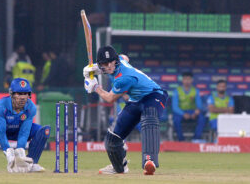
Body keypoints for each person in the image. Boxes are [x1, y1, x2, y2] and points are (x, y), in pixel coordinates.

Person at [83, 46, 168, 175]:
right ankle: (119, 167)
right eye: (104, 64)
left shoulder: (123, 78)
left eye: (110, 62)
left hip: (153, 95)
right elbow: (124, 56)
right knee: (113, 139)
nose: (108, 66)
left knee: (149, 118)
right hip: (134, 100)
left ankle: (149, 161)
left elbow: (110, 98)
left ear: (115, 61)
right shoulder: (120, 60)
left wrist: (95, 87)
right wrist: (95, 68)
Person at [172, 72, 206, 141]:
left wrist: (196, 112)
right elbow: (174, 107)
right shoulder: (177, 91)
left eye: (189, 79)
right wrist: (183, 114)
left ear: (192, 80)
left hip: (192, 111)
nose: (187, 81)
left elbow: (199, 105)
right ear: (182, 80)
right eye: (185, 79)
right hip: (180, 112)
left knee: (202, 118)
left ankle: (196, 138)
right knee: (176, 120)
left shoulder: (196, 91)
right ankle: (181, 139)